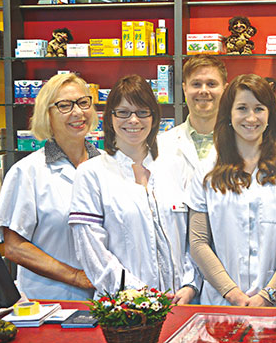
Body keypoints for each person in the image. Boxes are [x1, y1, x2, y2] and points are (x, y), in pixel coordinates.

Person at [70, 75, 199, 304]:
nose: (133, 120)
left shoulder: (176, 166)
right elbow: (92, 252)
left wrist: (190, 284)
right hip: (123, 307)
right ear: (109, 118)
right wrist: (140, 294)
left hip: (182, 302)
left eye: (142, 112)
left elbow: (194, 236)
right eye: (123, 112)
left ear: (154, 117)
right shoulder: (92, 173)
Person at [188, 74, 276, 307]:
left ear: (269, 115)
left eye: (259, 109)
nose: (251, 117)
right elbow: (198, 241)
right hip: (223, 303)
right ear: (229, 115)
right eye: (242, 108)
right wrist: (232, 293)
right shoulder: (206, 171)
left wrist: (269, 294)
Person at [0, 74, 99, 300]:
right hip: (52, 301)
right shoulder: (28, 172)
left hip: (107, 299)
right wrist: (76, 276)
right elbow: (14, 247)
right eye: (64, 106)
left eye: (83, 102)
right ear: (46, 115)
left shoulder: (109, 164)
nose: (78, 112)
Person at [158, 54, 227, 190]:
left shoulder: (240, 143)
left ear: (225, 89)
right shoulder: (161, 144)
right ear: (185, 89)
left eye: (211, 84)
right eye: (196, 84)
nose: (203, 91)